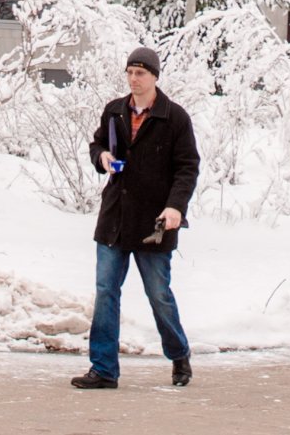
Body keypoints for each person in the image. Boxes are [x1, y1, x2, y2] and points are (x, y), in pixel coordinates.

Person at [73, 46, 200, 391]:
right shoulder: (114, 111)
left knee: (158, 293)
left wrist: (175, 207)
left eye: (141, 73)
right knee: (105, 291)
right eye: (130, 72)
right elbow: (97, 145)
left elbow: (187, 168)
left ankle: (179, 355)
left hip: (154, 222)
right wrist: (102, 158)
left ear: (155, 77)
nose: (134, 79)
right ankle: (103, 369)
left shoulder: (174, 118)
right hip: (115, 217)